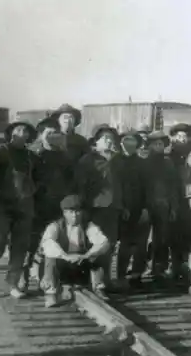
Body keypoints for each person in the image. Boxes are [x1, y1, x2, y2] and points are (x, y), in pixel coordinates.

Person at [0, 122, 39, 299]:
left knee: (20, 247)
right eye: (18, 129)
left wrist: (32, 191)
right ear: (11, 132)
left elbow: (39, 179)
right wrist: (0, 192)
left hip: (25, 207)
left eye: (25, 131)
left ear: (29, 136)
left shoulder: (31, 157)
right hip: (3, 207)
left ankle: (13, 284)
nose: (22, 132)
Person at [21, 118, 73, 292]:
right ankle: (23, 278)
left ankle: (49, 279)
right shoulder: (34, 156)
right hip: (37, 206)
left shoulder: (64, 157)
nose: (52, 136)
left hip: (57, 206)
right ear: (41, 136)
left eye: (55, 133)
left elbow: (71, 181)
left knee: (53, 243)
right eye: (48, 133)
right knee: (31, 243)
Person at [75, 124, 126, 293]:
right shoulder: (87, 161)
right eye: (104, 139)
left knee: (110, 245)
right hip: (95, 208)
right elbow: (81, 187)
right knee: (97, 244)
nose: (108, 142)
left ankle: (105, 279)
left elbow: (124, 186)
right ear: (95, 142)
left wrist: (123, 205)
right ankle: (97, 283)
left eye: (111, 139)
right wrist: (83, 208)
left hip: (114, 208)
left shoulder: (118, 160)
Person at [41, 195, 111, 307]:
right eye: (71, 212)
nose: (74, 215)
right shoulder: (55, 226)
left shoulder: (88, 226)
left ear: (82, 212)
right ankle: (51, 293)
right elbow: (48, 243)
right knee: (50, 257)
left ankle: (99, 288)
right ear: (64, 213)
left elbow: (103, 242)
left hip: (81, 264)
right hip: (62, 265)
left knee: (101, 253)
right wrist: (65, 256)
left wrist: (87, 255)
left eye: (78, 212)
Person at [143, 131, 183, 284]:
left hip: (163, 205)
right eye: (155, 144)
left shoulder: (168, 164)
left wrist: (173, 207)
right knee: (145, 239)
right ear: (150, 146)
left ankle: (159, 268)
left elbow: (173, 188)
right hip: (147, 206)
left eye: (161, 144)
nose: (158, 147)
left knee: (162, 238)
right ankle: (144, 267)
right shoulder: (144, 163)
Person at [116, 132, 148, 289]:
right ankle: (120, 276)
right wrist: (122, 207)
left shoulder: (142, 163)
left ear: (137, 144)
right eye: (125, 140)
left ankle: (136, 275)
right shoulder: (116, 162)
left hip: (139, 208)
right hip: (121, 208)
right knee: (124, 244)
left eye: (132, 141)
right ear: (121, 143)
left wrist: (144, 208)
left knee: (141, 244)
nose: (128, 143)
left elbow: (147, 188)